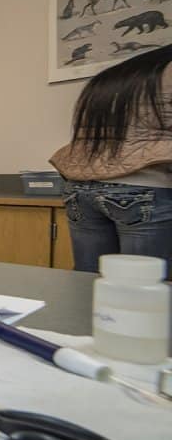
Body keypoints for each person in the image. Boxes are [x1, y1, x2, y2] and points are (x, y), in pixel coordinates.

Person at [49, 43, 172, 273]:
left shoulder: (114, 77)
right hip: (143, 185)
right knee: (140, 286)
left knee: (88, 280)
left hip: (81, 189)